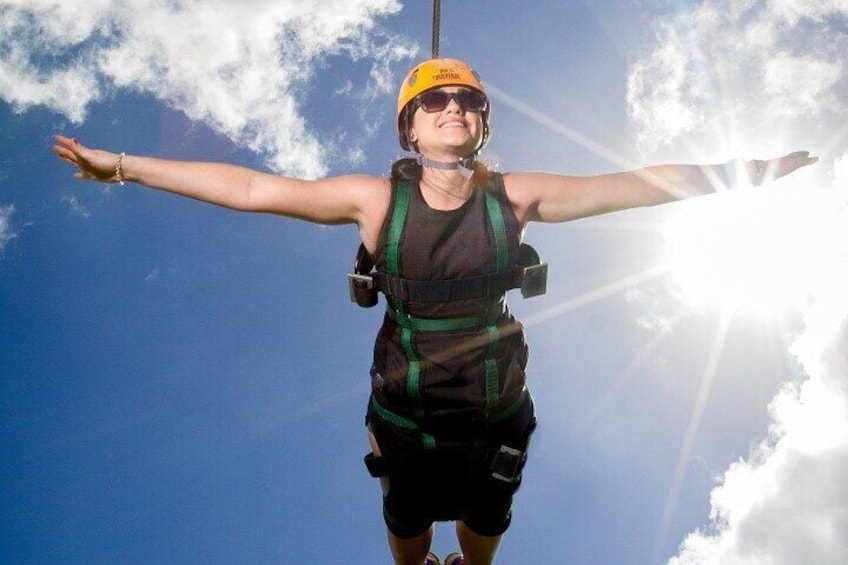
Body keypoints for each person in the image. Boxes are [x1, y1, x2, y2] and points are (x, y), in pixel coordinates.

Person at [52, 58, 816, 565]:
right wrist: (120, 166)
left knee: (483, 535)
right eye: (436, 101)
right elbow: (252, 188)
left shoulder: (514, 197)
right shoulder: (375, 200)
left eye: (467, 102)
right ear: (410, 128)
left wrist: (745, 173)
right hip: (408, 415)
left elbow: (638, 184)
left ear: (481, 125)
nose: (453, 107)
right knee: (409, 534)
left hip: (496, 414)